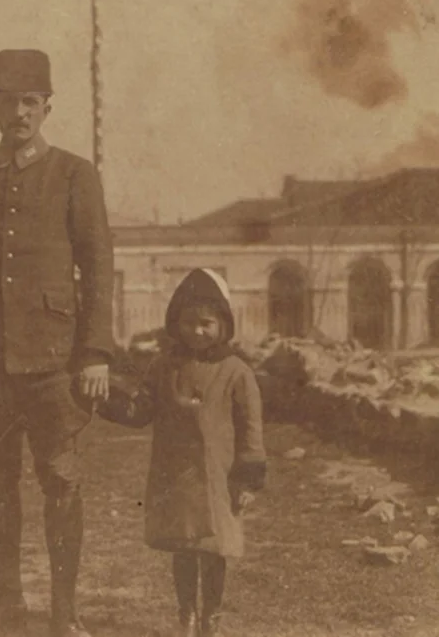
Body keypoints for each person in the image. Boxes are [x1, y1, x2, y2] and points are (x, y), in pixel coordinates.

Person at [0, 49, 115, 637]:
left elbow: (97, 266)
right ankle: (6, 602)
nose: (19, 112)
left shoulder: (73, 174)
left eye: (30, 102)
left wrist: (93, 352)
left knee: (61, 482)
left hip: (54, 364)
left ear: (46, 107)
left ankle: (64, 612)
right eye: (8, 101)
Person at [98, 269, 266, 637]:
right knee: (184, 546)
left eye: (206, 323)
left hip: (220, 478)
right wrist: (103, 399)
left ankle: (212, 617)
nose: (197, 331)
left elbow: (251, 430)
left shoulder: (236, 372)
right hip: (176, 476)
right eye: (188, 323)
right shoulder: (164, 367)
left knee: (215, 548)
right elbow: (140, 409)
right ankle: (186, 615)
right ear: (175, 324)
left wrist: (248, 477)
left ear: (224, 324)